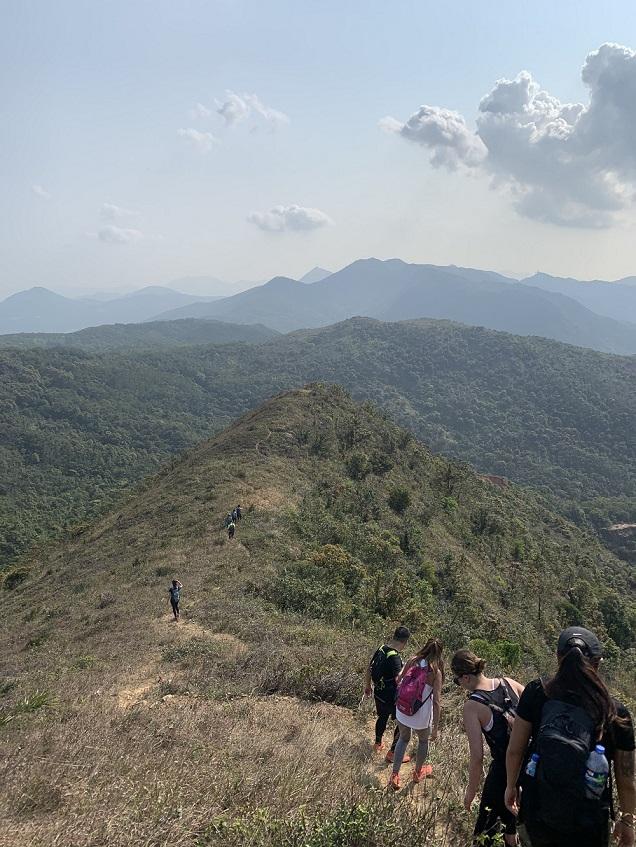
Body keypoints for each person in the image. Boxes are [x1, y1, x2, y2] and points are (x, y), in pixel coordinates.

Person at [505, 627, 635, 847]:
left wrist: (511, 785)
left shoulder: (538, 692)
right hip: (590, 819)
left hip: (539, 807)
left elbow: (515, 749)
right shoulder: (614, 711)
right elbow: (627, 778)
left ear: (558, 658)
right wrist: (628, 821)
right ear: (598, 663)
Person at [451, 649, 524, 846]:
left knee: (484, 835)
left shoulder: (473, 706)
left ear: (465, 677)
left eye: (457, 681)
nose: (459, 686)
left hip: (503, 772)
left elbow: (477, 757)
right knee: (511, 826)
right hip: (528, 768)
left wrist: (470, 793)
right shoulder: (509, 683)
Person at [389, 638, 444, 790]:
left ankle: (395, 774)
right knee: (423, 741)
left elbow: (398, 679)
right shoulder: (435, 672)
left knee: (403, 738)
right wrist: (435, 728)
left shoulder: (412, 660)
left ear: (425, 647)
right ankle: (418, 772)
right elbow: (437, 702)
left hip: (402, 709)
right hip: (421, 715)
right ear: (439, 654)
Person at [364, 626, 412, 764]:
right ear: (405, 642)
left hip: (379, 693)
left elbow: (369, 667)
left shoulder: (381, 648)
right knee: (402, 723)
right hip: (392, 697)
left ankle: (378, 743)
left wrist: (367, 685)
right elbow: (399, 679)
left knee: (382, 717)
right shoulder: (395, 656)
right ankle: (393, 753)